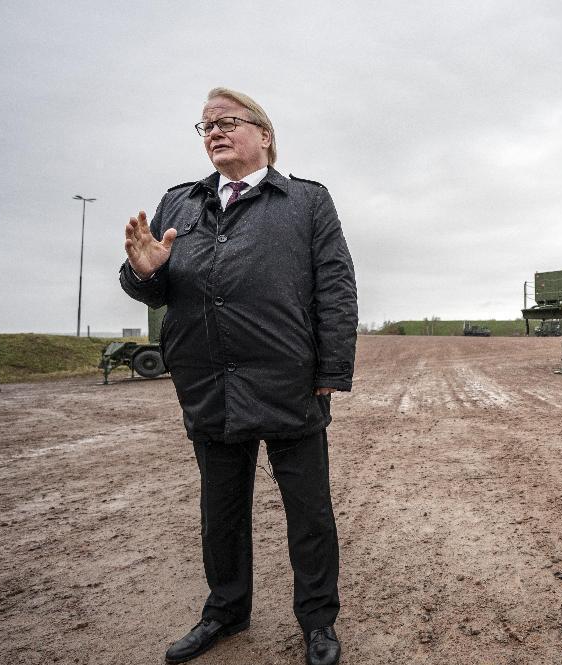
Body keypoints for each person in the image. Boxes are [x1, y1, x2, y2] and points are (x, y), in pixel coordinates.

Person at [120, 87, 356, 665]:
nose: (215, 133)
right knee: (220, 511)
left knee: (308, 511)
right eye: (204, 127)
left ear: (265, 134)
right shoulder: (179, 203)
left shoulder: (305, 201)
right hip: (209, 383)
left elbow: (336, 287)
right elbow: (149, 281)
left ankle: (318, 620)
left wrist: (331, 368)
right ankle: (226, 611)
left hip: (288, 378)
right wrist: (144, 273)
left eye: (227, 122)